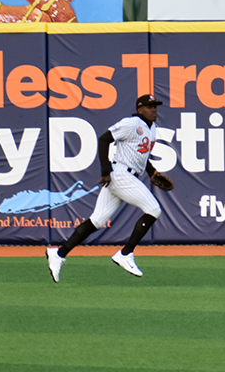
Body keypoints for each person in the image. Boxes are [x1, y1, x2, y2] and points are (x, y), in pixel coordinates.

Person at [46, 94, 171, 283]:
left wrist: (152, 172)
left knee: (97, 221)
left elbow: (141, 155)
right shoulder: (131, 123)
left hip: (127, 175)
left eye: (155, 106)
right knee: (153, 209)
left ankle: (58, 254)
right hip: (120, 174)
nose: (154, 110)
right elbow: (104, 139)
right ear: (140, 109)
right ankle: (125, 254)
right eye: (149, 106)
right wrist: (106, 170)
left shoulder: (151, 128)